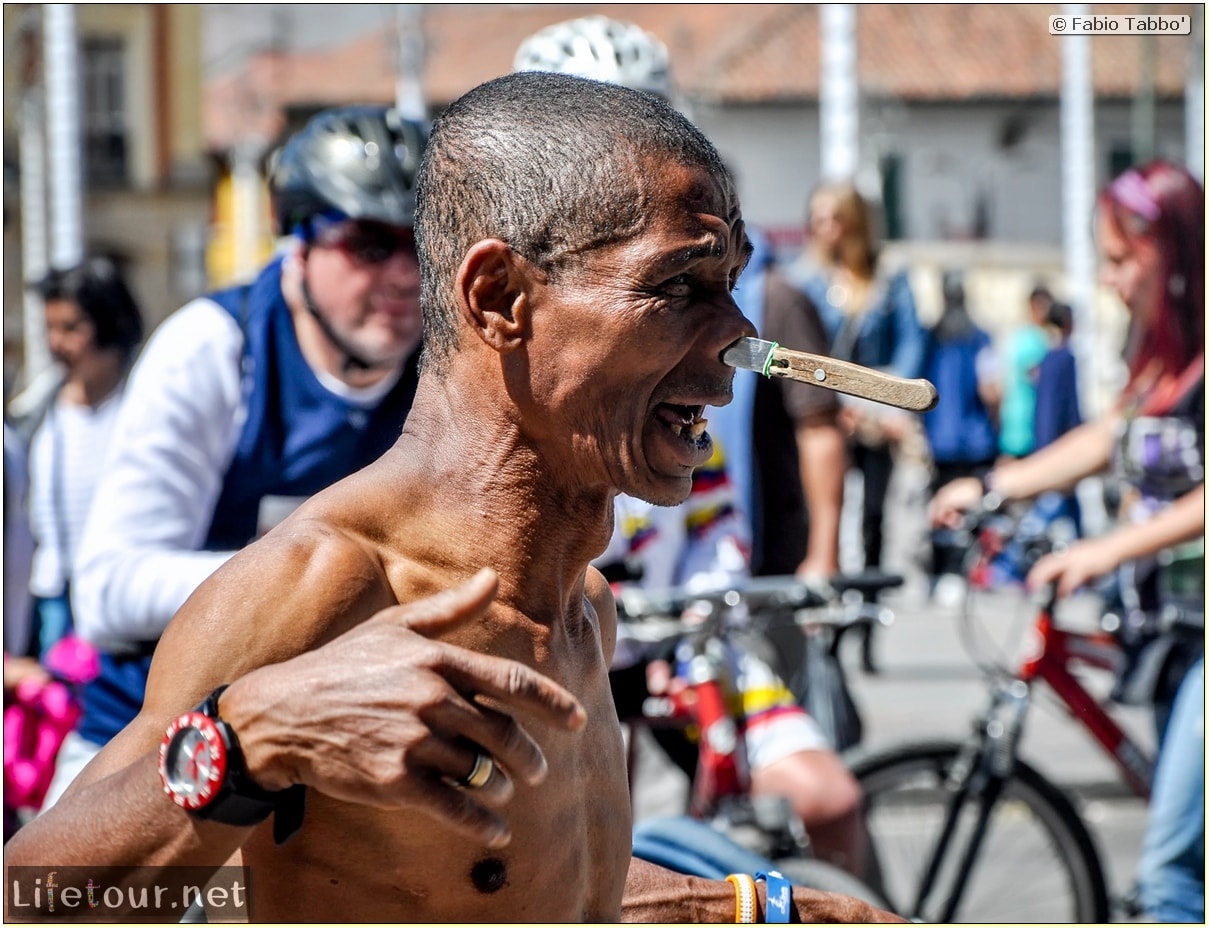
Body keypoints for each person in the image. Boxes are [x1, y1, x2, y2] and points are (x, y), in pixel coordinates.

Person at [5, 72, 902, 924]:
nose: (738, 339)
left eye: (733, 282)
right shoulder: (332, 586)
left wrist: (744, 905)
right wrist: (250, 740)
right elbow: (30, 902)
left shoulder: (580, 603)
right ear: (499, 295)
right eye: (679, 287)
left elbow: (509, 887)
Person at [41, 105, 428, 811]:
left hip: (329, 752)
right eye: (369, 243)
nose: (403, 275)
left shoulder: (446, 371)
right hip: (151, 741)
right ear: (299, 244)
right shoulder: (214, 349)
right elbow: (107, 591)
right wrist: (334, 575)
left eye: (422, 245)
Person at [931, 160, 1204, 923]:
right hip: (1173, 632)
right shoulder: (1160, 365)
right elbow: (1104, 440)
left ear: (1173, 250)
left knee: (1172, 879)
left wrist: (1106, 549)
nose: (1111, 281)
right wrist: (993, 487)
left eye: (1121, 259)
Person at [600, 446, 867, 877]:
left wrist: (685, 627)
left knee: (830, 800)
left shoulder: (678, 414)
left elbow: (719, 528)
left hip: (685, 645)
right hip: (570, 659)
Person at [783, 181, 926, 671]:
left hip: (876, 419)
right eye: (817, 218)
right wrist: (832, 403)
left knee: (872, 526)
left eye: (834, 217)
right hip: (826, 417)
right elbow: (803, 353)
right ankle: (831, 631)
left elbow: (909, 348)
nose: (824, 228)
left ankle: (866, 632)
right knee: (829, 520)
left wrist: (882, 406)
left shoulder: (889, 280)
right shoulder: (802, 280)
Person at [25, 259, 144, 663]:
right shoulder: (37, 413)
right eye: (51, 328)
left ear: (110, 326)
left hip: (123, 592)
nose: (57, 343)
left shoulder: (146, 407)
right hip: (57, 596)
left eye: (71, 328)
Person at [920, 270, 999, 600]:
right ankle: (965, 571)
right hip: (975, 437)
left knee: (941, 509)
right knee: (970, 511)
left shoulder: (931, 337)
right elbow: (991, 388)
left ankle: (941, 573)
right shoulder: (979, 337)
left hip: (942, 438)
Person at [997, 283, 1053, 459]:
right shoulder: (1033, 338)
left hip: (1017, 424)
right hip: (1027, 426)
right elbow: (1036, 376)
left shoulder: (1020, 335)